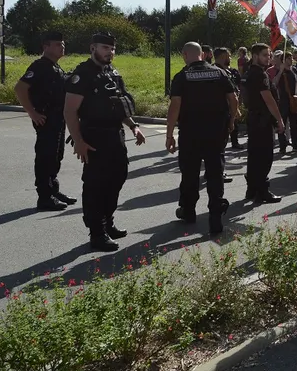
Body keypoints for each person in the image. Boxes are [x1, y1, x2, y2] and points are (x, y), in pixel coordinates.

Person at [63, 32, 146, 251]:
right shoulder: (82, 74)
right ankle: (97, 233)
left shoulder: (112, 73)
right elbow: (70, 111)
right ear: (93, 48)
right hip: (94, 136)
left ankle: (107, 222)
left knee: (117, 178)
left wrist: (133, 126)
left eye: (112, 49)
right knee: (95, 186)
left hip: (115, 135)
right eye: (105, 48)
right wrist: (79, 141)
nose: (110, 52)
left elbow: (118, 105)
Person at [166, 42, 239, 235]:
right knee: (215, 173)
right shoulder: (220, 73)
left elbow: (175, 106)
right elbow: (234, 100)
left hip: (191, 134)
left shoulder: (182, 77)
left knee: (189, 173)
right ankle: (215, 215)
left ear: (184, 55)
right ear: (203, 55)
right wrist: (231, 121)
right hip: (216, 133)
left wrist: (169, 134)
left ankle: (188, 211)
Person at [14, 30, 74, 211]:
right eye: (57, 44)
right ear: (45, 47)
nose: (61, 47)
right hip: (46, 118)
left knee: (56, 156)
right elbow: (20, 88)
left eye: (62, 44)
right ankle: (45, 197)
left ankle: (53, 191)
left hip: (58, 118)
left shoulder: (55, 67)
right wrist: (32, 113)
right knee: (45, 157)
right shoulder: (39, 66)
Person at [244, 43, 286, 204]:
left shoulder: (249, 73)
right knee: (264, 155)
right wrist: (279, 119)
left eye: (269, 55)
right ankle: (262, 190)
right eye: (264, 55)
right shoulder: (259, 75)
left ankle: (252, 188)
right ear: (255, 56)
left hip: (254, 118)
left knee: (254, 155)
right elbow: (268, 99)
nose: (268, 58)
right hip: (262, 119)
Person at [215, 47, 243, 150]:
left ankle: (234, 142)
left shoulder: (231, 71)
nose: (230, 58)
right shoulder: (216, 72)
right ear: (223, 56)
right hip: (222, 107)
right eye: (229, 56)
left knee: (234, 125)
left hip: (231, 104)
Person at [275, 54, 297, 155]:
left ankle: (295, 143)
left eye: (291, 58)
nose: (291, 60)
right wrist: (281, 70)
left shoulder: (294, 70)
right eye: (288, 59)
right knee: (282, 123)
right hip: (283, 101)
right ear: (283, 60)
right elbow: (274, 83)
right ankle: (283, 145)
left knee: (294, 124)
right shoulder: (281, 72)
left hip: (293, 100)